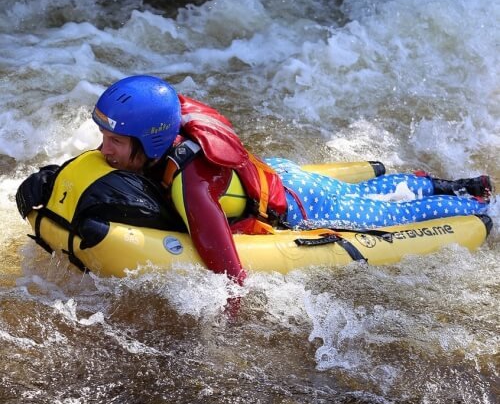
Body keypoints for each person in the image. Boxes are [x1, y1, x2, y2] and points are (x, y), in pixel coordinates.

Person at [91, 75, 493, 284]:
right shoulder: (162, 135)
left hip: (301, 203)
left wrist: (230, 320)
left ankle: (474, 200)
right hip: (280, 174)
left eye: (114, 141)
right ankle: (437, 181)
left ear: (151, 139)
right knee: (361, 192)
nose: (104, 149)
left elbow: (227, 269)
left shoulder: (191, 181)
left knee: (387, 213)